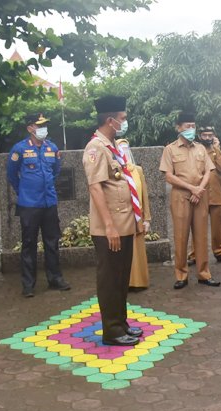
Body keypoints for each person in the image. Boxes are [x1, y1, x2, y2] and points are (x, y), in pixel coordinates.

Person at [83, 96, 144, 346]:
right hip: (110, 227)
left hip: (123, 223)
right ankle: (112, 330)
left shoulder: (112, 146)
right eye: (123, 119)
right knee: (110, 280)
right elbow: (96, 188)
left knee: (121, 278)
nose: (125, 122)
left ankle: (121, 323)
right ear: (111, 121)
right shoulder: (96, 148)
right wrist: (109, 226)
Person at [7, 114, 71, 297]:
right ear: (30, 128)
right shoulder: (19, 149)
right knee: (29, 244)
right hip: (29, 205)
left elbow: (56, 171)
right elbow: (12, 175)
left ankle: (55, 279)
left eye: (45, 125)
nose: (43, 129)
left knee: (52, 242)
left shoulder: (52, 147)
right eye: (39, 125)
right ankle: (28, 284)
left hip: (49, 202)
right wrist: (24, 192)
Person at [159, 112, 220, 289]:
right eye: (187, 126)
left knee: (201, 236)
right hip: (181, 196)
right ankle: (181, 275)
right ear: (178, 128)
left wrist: (199, 189)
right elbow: (168, 176)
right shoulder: (170, 149)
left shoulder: (200, 148)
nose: (191, 130)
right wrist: (192, 188)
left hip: (200, 195)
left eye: (193, 126)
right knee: (181, 236)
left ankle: (203, 273)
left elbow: (209, 171)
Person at [190, 126, 221, 265]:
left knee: (217, 227)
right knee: (197, 225)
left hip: (215, 193)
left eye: (210, 135)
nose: (207, 138)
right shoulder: (194, 149)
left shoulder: (216, 150)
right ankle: (194, 254)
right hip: (199, 193)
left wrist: (217, 149)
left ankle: (220, 252)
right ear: (199, 136)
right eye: (205, 135)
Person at [117, 138, 152, 291]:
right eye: (120, 149)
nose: (124, 152)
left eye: (126, 148)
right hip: (122, 218)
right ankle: (124, 281)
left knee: (137, 251)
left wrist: (147, 218)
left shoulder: (137, 170)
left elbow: (144, 195)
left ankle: (139, 282)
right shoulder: (115, 172)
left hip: (138, 217)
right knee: (123, 251)